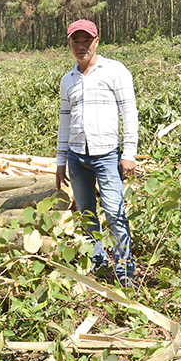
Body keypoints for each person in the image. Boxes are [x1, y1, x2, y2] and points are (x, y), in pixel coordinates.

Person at [55, 19, 139, 290]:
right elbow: (64, 122)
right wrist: (60, 161)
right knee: (87, 214)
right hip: (77, 158)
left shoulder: (115, 71)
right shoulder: (68, 80)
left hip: (107, 156)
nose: (81, 46)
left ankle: (125, 272)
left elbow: (129, 112)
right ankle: (98, 263)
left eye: (86, 41)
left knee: (115, 213)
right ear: (69, 44)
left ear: (97, 41)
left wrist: (130, 153)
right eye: (75, 41)